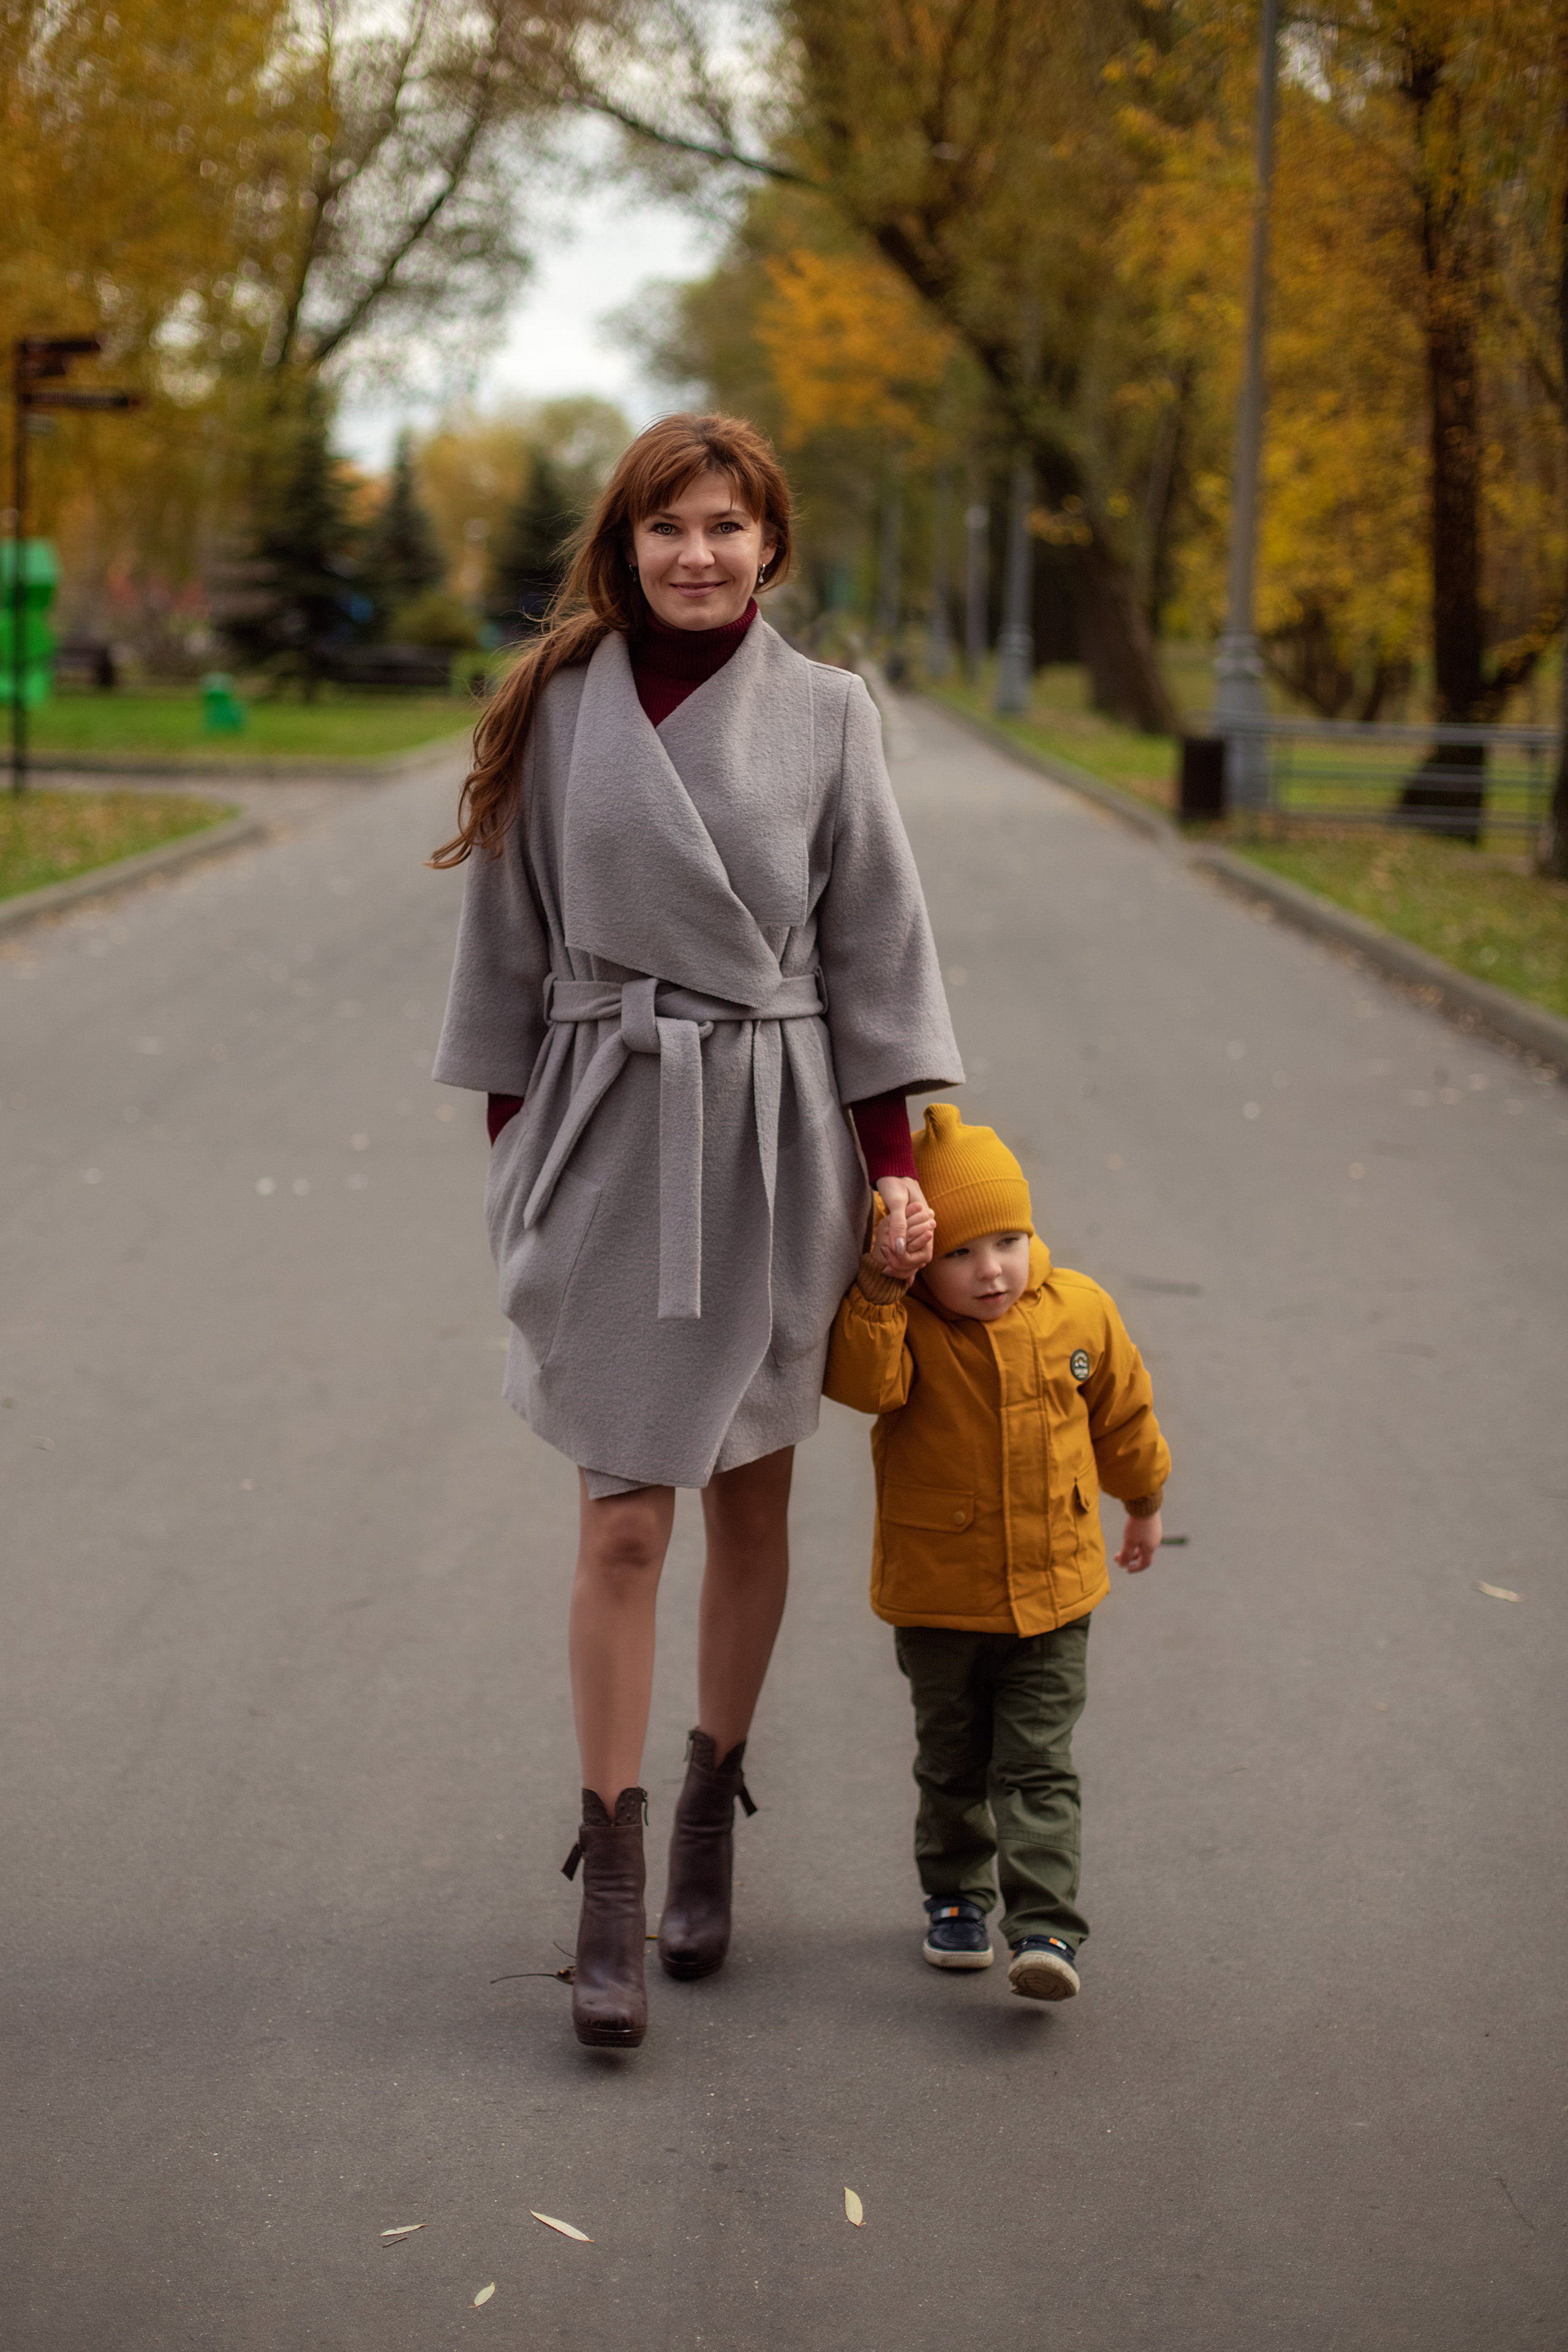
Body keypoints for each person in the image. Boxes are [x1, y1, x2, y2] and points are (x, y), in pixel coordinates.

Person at [430, 414, 962, 2050]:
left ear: (769, 545)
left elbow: (876, 945)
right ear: (627, 543)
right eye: (670, 527)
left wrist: (891, 1163)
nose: (699, 554)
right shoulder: (555, 704)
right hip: (606, 1136)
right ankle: (606, 1873)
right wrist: (525, 1165)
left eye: (727, 525)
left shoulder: (827, 715)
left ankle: (711, 1800)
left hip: (777, 1140)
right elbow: (503, 946)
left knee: (747, 1496)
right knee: (621, 1526)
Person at [823, 1104, 1170, 2001]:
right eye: (959, 1254)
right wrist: (878, 1289)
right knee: (952, 1764)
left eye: (1007, 1241)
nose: (990, 1271)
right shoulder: (904, 1328)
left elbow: (1123, 1418)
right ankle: (954, 1897)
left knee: (1038, 1764)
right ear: (918, 1260)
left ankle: (1047, 1925)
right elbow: (862, 1386)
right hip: (939, 1603)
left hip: (1055, 1598)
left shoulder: (1080, 1311)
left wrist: (1141, 1504)